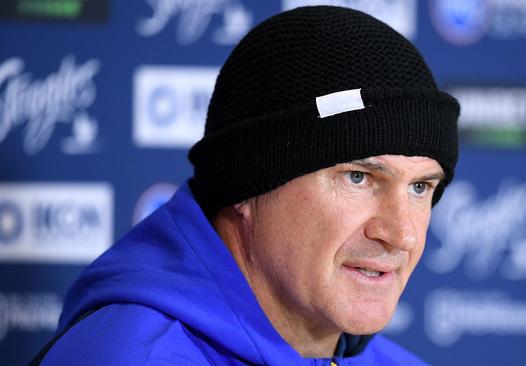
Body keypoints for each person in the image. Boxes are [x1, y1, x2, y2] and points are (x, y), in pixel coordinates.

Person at [35, 5, 459, 365]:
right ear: (247, 186)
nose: (402, 233)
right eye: (358, 177)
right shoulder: (133, 355)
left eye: (421, 188)